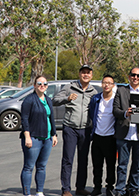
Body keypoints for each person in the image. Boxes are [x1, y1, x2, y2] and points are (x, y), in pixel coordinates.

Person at [53, 64, 99, 196]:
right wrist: (67, 99)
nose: (86, 75)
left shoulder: (94, 92)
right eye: (83, 72)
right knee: (68, 159)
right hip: (70, 128)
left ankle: (80, 187)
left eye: (88, 73)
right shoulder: (69, 87)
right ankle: (66, 189)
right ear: (79, 74)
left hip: (86, 129)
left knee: (83, 159)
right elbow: (55, 100)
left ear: (91, 75)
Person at [113, 67, 139, 196]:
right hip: (124, 134)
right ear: (129, 77)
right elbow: (115, 110)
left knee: (137, 165)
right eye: (133, 75)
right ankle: (120, 189)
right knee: (122, 165)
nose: (135, 77)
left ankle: (133, 188)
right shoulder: (121, 91)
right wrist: (125, 113)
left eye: (138, 76)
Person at [20, 75, 58, 196]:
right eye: (39, 83)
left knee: (42, 167)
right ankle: (27, 193)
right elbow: (24, 119)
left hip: (47, 138)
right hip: (33, 138)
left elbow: (51, 118)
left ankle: (39, 192)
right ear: (34, 85)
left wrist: (54, 135)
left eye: (45, 84)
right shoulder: (29, 100)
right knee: (29, 167)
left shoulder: (48, 99)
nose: (42, 86)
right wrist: (27, 136)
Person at [88, 75, 118, 196]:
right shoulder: (96, 99)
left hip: (111, 137)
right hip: (97, 136)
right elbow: (91, 114)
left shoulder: (116, 100)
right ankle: (97, 187)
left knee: (110, 166)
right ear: (101, 84)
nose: (106, 85)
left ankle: (110, 187)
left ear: (113, 85)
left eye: (109, 83)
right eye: (104, 82)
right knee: (97, 166)